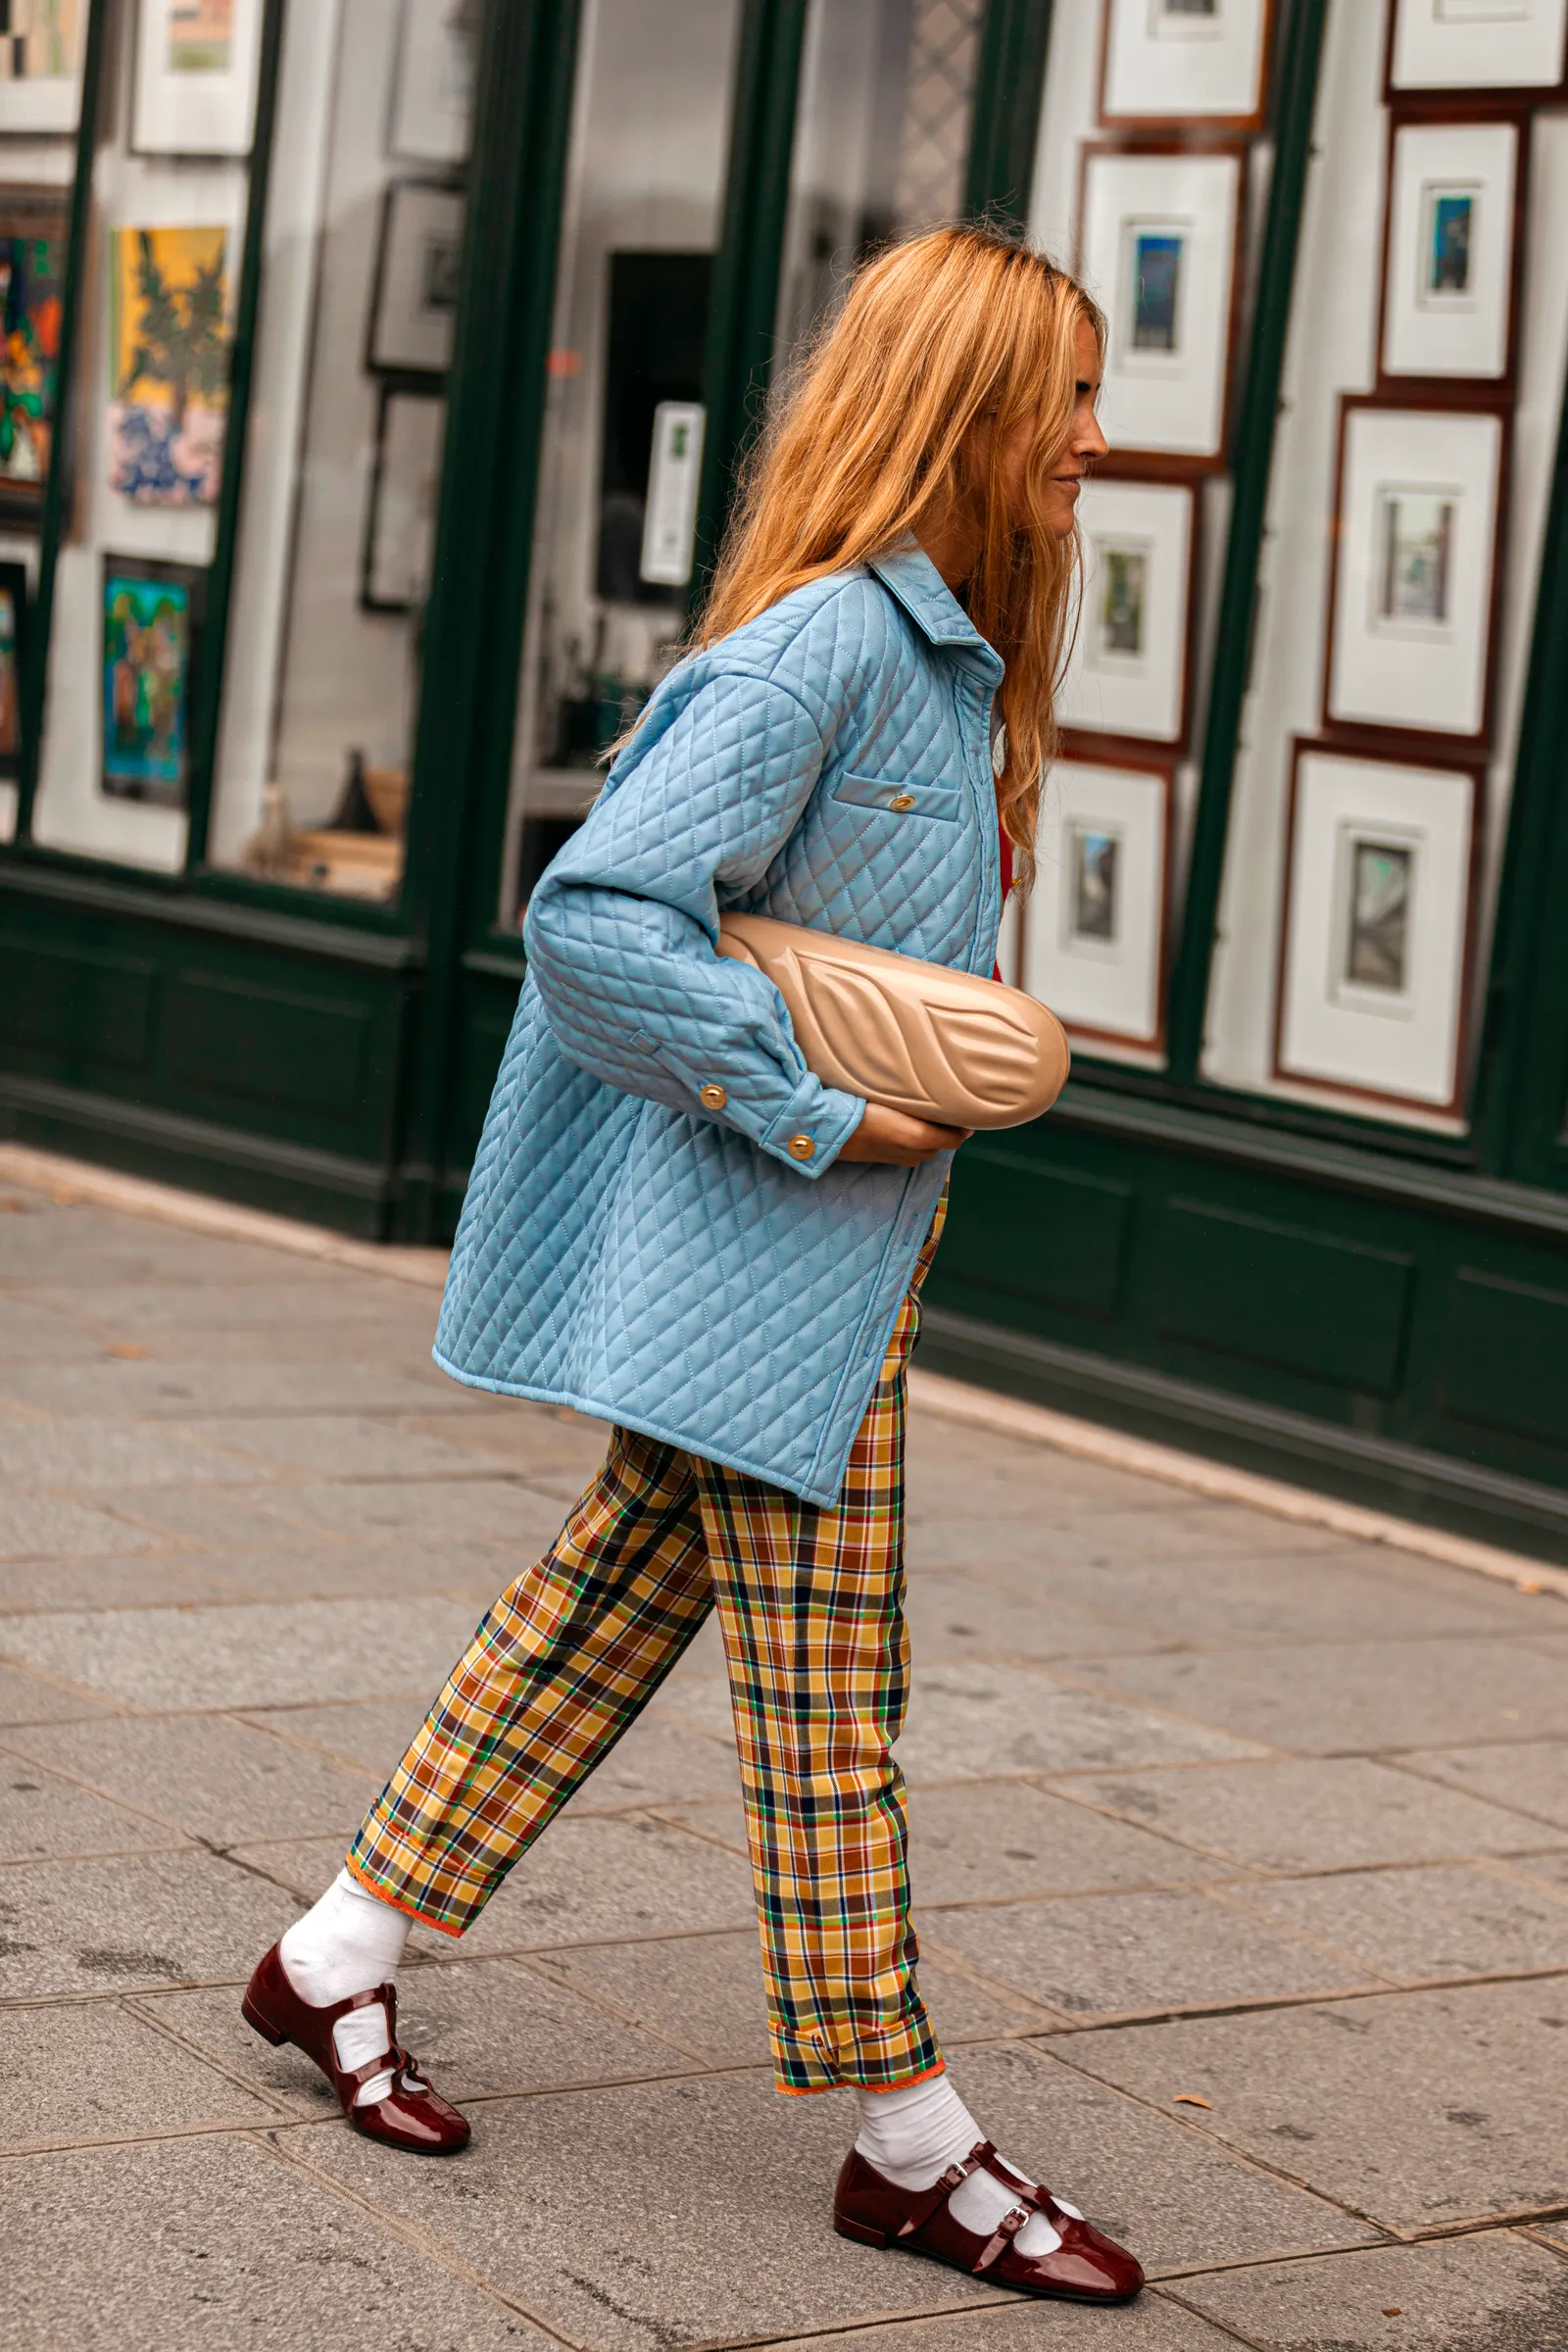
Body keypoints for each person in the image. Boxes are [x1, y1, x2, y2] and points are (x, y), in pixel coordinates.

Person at [242, 223, 1141, 2308]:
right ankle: (909, 2143)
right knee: (829, 1712)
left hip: (825, 1276)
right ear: (967, 413)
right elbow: (601, 918)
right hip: (768, 1262)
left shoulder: (943, 658)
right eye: (1064, 402)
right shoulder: (816, 649)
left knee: (598, 1612)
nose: (1096, 439)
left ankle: (331, 1955)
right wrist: (818, 1110)